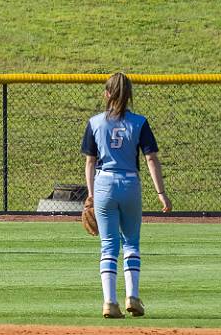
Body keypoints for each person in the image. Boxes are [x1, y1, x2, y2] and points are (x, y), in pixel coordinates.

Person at [81, 72, 172, 319]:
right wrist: (160, 192)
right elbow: (150, 158)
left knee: (108, 245)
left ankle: (109, 302)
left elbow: (90, 162)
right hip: (130, 183)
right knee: (131, 242)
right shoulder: (139, 122)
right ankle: (132, 296)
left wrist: (90, 195)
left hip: (104, 184)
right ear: (129, 95)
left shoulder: (94, 122)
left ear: (106, 94)